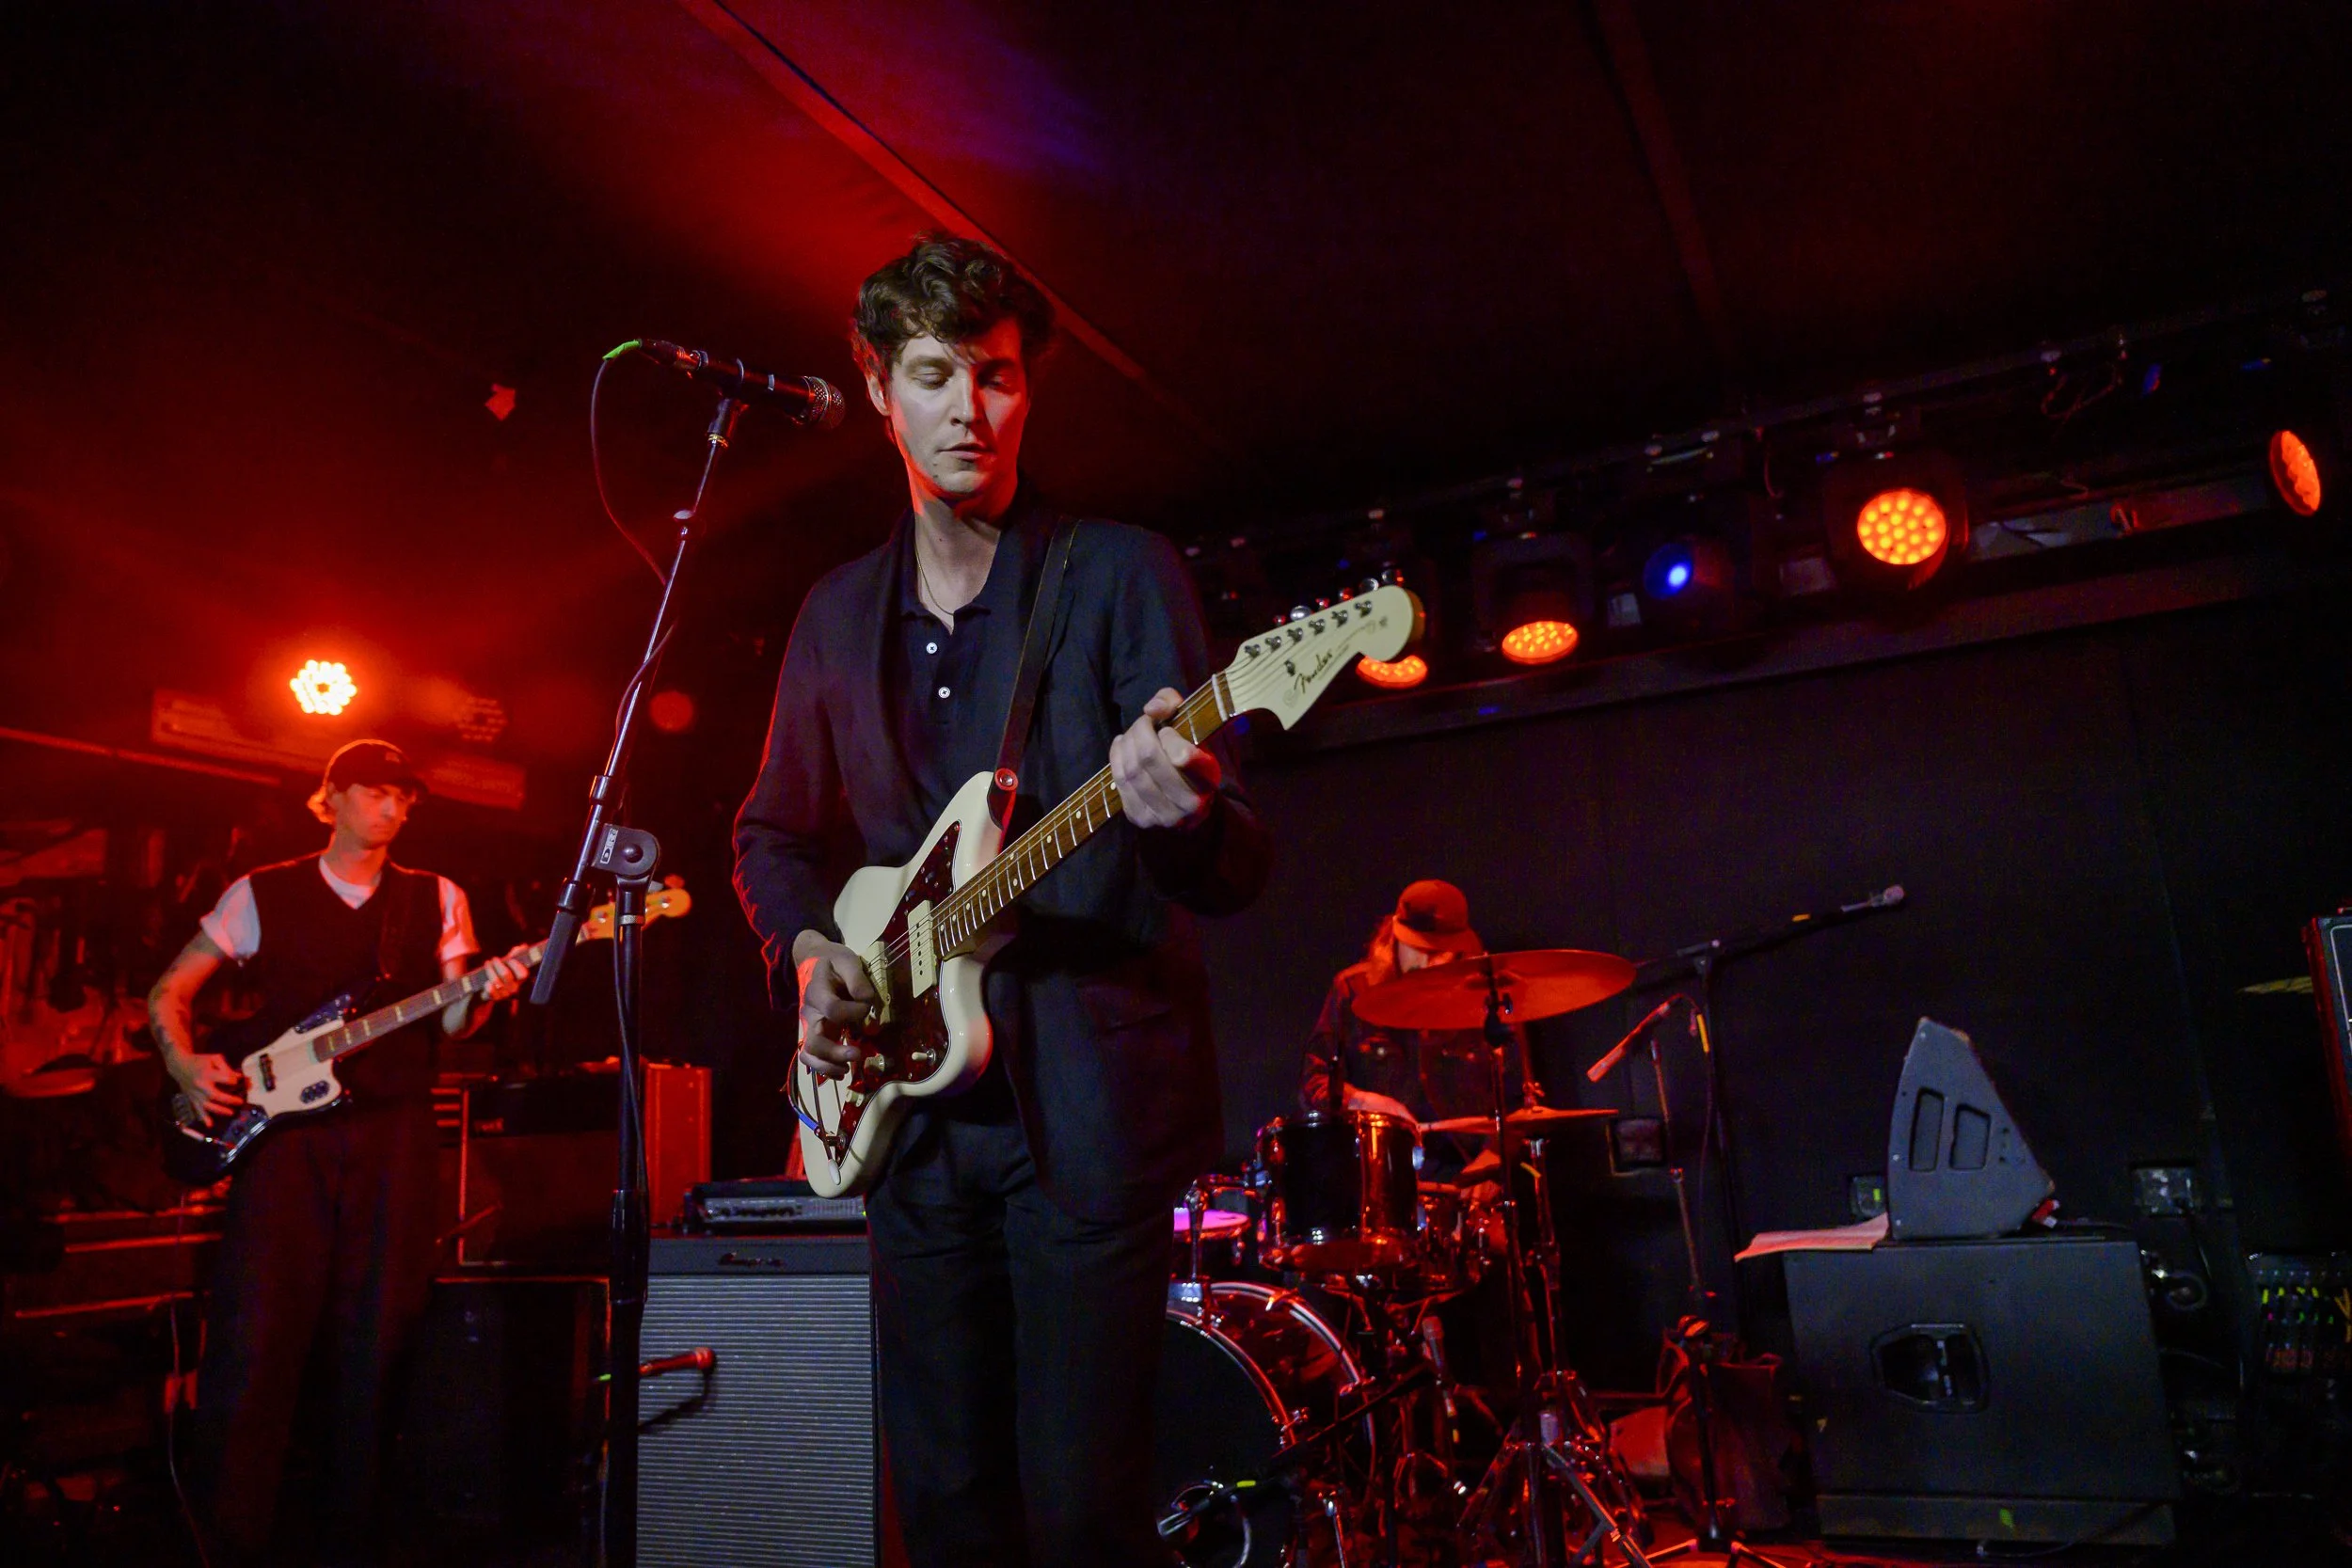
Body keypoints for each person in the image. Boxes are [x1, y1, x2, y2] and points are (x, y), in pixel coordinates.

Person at [733, 233, 1271, 1565]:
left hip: (1083, 1106)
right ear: (879, 388)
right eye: (936, 373)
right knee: (950, 1496)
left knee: (1083, 1505)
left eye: (999, 375)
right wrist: (812, 956)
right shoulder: (832, 613)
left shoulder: (1117, 571)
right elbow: (773, 834)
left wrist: (1186, 811)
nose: (970, 408)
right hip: (910, 1119)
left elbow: (1239, 856)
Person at [148, 739, 532, 1566]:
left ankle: (354, 1537)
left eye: (405, 795)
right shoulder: (263, 891)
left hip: (394, 1135)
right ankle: (232, 1537)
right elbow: (169, 990)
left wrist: (489, 990)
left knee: (379, 1338)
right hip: (284, 1143)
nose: (394, 807)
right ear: (332, 798)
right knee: (258, 1335)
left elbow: (456, 1023)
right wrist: (185, 1060)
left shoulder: (436, 896)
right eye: (377, 791)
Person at [1298, 879, 1524, 1180]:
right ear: (1393, 938)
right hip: (1380, 1175)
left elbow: (1518, 1106)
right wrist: (1363, 1101)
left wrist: (1492, 1163)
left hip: (1465, 1175)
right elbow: (1314, 1082)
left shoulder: (1487, 997)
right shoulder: (1353, 991)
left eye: (1442, 953)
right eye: (1418, 949)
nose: (1429, 963)